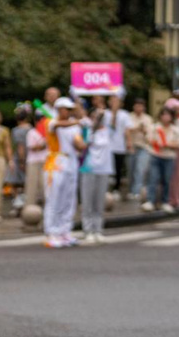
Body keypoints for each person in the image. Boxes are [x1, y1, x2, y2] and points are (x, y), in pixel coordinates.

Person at [43, 97, 86, 248]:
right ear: (59, 109)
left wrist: (88, 138)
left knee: (69, 198)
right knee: (54, 198)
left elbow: (79, 144)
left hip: (72, 161)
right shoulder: (50, 122)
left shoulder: (74, 126)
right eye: (66, 109)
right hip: (56, 162)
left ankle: (64, 231)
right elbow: (59, 125)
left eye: (70, 109)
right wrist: (78, 121)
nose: (68, 112)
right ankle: (51, 233)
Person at [80, 103, 113, 244]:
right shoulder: (87, 130)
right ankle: (88, 230)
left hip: (104, 169)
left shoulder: (109, 130)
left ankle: (98, 229)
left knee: (99, 202)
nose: (97, 119)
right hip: (89, 168)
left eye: (99, 117)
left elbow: (113, 112)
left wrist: (102, 110)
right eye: (94, 116)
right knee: (88, 201)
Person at [141, 108, 179, 213]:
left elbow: (178, 144)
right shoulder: (154, 127)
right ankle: (150, 201)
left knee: (167, 180)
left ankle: (165, 201)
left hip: (169, 157)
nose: (165, 117)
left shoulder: (175, 130)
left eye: (168, 115)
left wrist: (167, 144)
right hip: (156, 155)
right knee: (153, 178)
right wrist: (156, 143)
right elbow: (148, 139)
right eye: (163, 115)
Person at [125, 98, 153, 201]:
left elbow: (150, 137)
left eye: (141, 106)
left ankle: (136, 192)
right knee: (131, 171)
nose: (139, 108)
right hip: (131, 147)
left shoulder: (148, 119)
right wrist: (138, 128)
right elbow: (126, 131)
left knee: (140, 170)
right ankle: (131, 191)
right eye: (137, 106)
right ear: (134, 107)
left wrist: (144, 131)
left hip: (144, 147)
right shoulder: (128, 117)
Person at [103, 95, 130, 199]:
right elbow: (111, 127)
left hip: (119, 146)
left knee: (118, 169)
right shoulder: (105, 114)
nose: (114, 103)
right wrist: (113, 114)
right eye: (112, 101)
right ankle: (106, 190)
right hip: (106, 147)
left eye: (117, 101)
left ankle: (116, 189)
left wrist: (128, 142)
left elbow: (127, 130)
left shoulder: (125, 114)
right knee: (107, 169)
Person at [10, 105, 32, 211]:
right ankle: (24, 202)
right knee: (26, 182)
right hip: (31, 157)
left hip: (20, 159)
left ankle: (18, 203)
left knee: (15, 182)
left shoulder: (17, 130)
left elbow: (20, 147)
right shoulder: (31, 129)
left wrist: (21, 161)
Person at [25, 112, 49, 207]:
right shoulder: (31, 132)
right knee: (32, 186)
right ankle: (29, 207)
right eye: (39, 120)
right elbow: (33, 147)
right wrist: (43, 145)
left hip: (45, 161)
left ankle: (46, 207)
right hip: (33, 162)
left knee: (45, 186)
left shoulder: (48, 132)